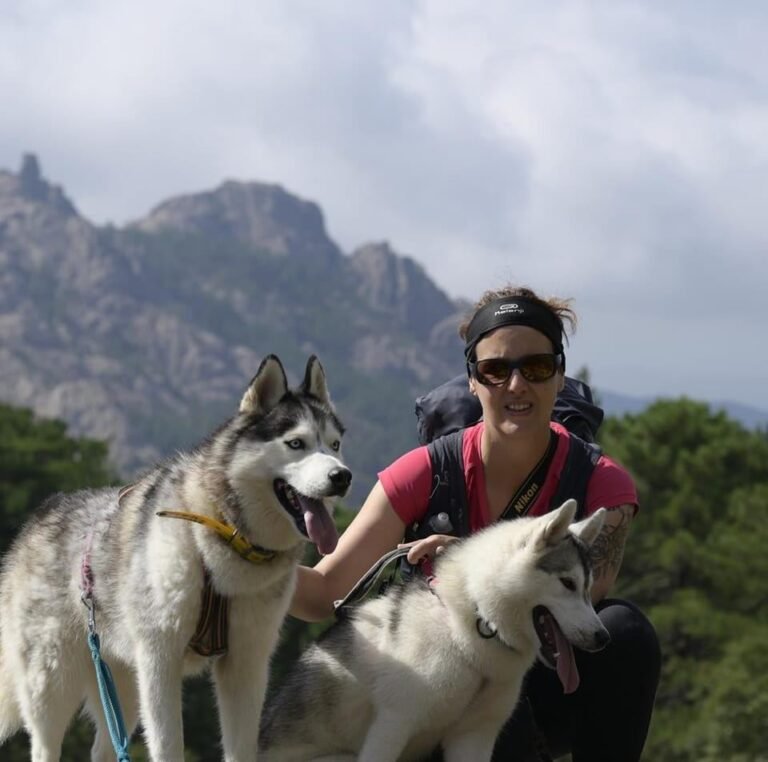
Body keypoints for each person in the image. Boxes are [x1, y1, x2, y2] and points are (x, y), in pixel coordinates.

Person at [291, 285, 661, 761]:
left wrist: (464, 565)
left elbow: (590, 589)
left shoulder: (600, 481)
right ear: (472, 380)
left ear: (559, 375)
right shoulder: (424, 471)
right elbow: (323, 594)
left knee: (625, 633)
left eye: (537, 367)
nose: (516, 385)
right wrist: (242, 558)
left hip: (542, 687)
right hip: (435, 697)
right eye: (495, 370)